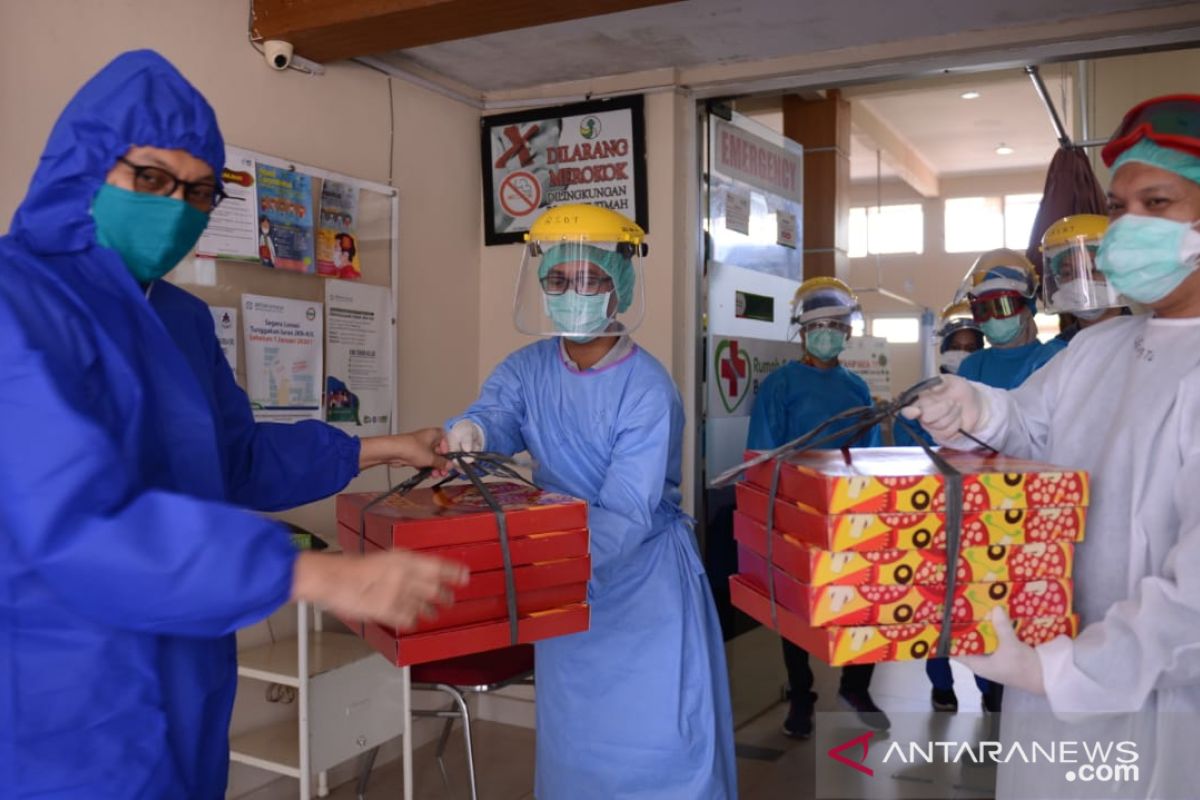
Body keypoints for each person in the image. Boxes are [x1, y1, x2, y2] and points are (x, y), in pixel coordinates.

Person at [0, 51, 468, 799]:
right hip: (64, 689)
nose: (174, 206)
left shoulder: (176, 319)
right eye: (150, 179)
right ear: (83, 165)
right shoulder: (17, 303)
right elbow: (71, 520)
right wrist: (310, 573)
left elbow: (234, 458)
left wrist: (385, 448)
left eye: (198, 191)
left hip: (187, 662)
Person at [900, 94, 1200, 798]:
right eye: (1122, 208)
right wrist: (966, 404)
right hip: (1045, 675)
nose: (1128, 229)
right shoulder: (1101, 345)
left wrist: (1059, 672)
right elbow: (1028, 429)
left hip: (1156, 711)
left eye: (1157, 203)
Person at [441, 204, 737, 799]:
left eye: (591, 279)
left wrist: (538, 567)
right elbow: (498, 414)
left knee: (663, 746)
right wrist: (471, 430)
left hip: (643, 585)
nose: (571, 292)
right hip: (565, 590)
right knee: (577, 748)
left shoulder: (648, 388)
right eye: (558, 279)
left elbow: (626, 512)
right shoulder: (526, 368)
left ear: (619, 285)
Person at [746, 278, 889, 738]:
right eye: (817, 326)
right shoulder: (780, 385)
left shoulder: (856, 387)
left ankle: (856, 686)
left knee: (863, 600)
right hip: (795, 510)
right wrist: (771, 516)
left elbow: (867, 455)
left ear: (847, 333)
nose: (826, 333)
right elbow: (762, 454)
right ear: (801, 332)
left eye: (835, 325)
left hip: (850, 512)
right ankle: (801, 694)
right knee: (797, 610)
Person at [954, 249, 1066, 389]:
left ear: (1027, 309)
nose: (993, 318)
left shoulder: (1055, 357)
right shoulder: (972, 367)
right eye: (983, 310)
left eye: (1002, 306)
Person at [1041, 214, 1129, 344]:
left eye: (1093, 270)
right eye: (1067, 273)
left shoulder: (1149, 336)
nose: (1079, 281)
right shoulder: (1058, 350)